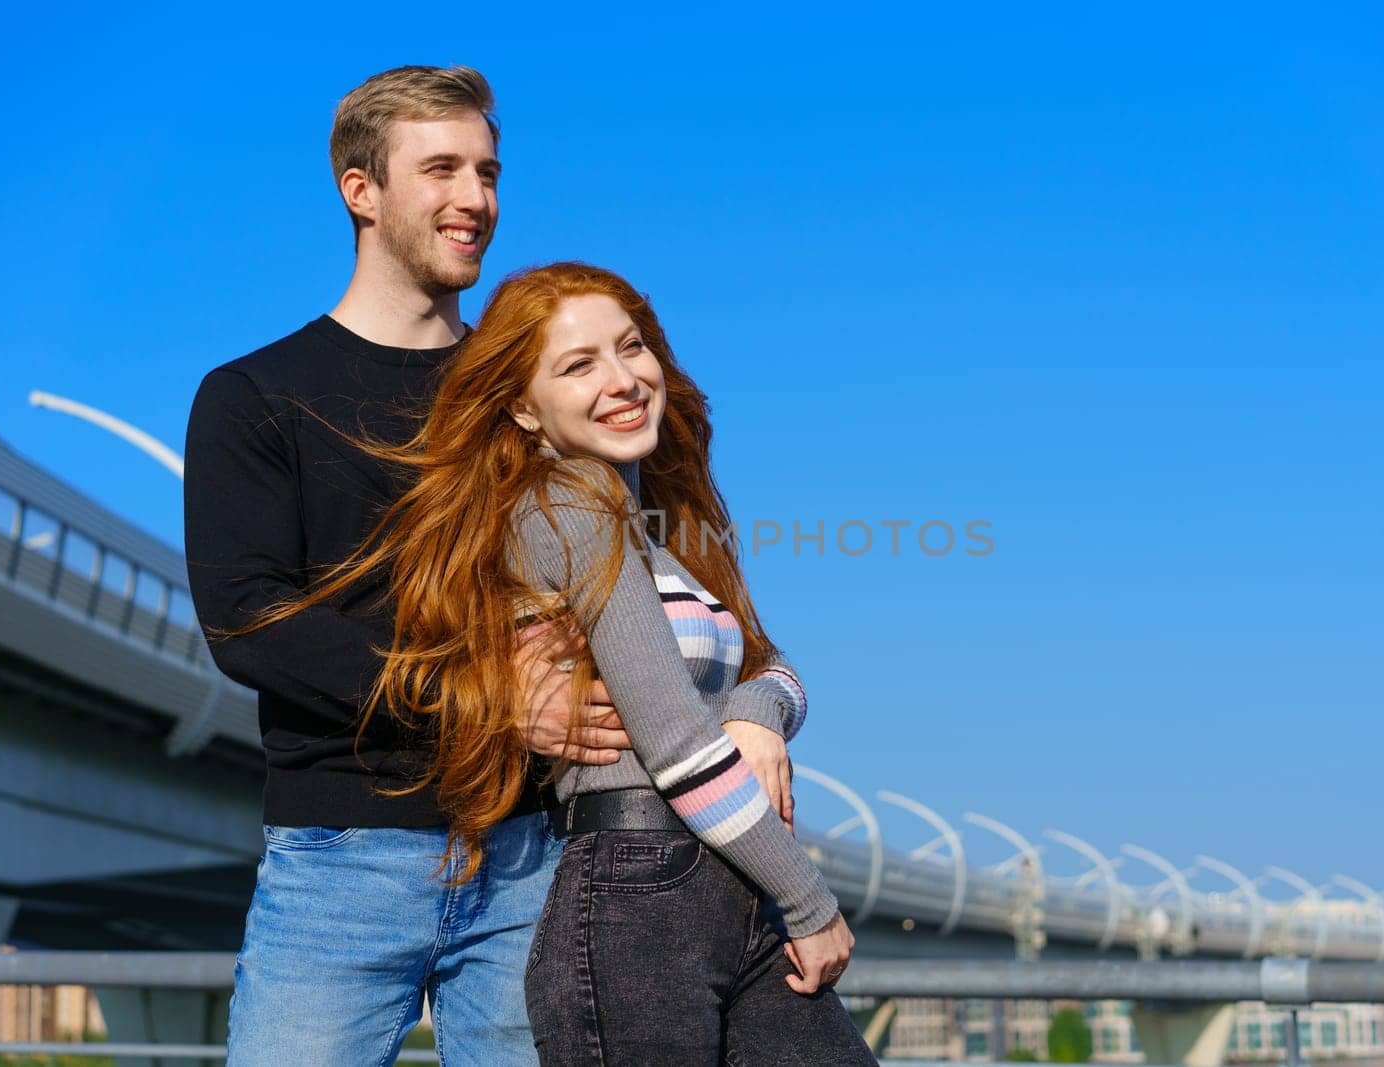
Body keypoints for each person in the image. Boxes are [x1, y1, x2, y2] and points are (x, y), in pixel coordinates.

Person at [183, 67, 808, 1065]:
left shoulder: (546, 388)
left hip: (544, 858)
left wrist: (747, 707)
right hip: (341, 861)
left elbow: (698, 606)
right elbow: (249, 619)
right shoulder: (257, 395)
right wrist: (486, 696)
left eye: (487, 170)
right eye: (441, 169)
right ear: (361, 190)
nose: (475, 198)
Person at [263, 261, 878, 1065]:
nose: (623, 380)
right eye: (580, 365)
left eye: (632, 347)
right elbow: (677, 743)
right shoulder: (570, 506)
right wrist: (808, 897)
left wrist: (759, 714)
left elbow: (770, 663)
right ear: (523, 407)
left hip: (724, 884)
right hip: (638, 896)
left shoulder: (653, 530)